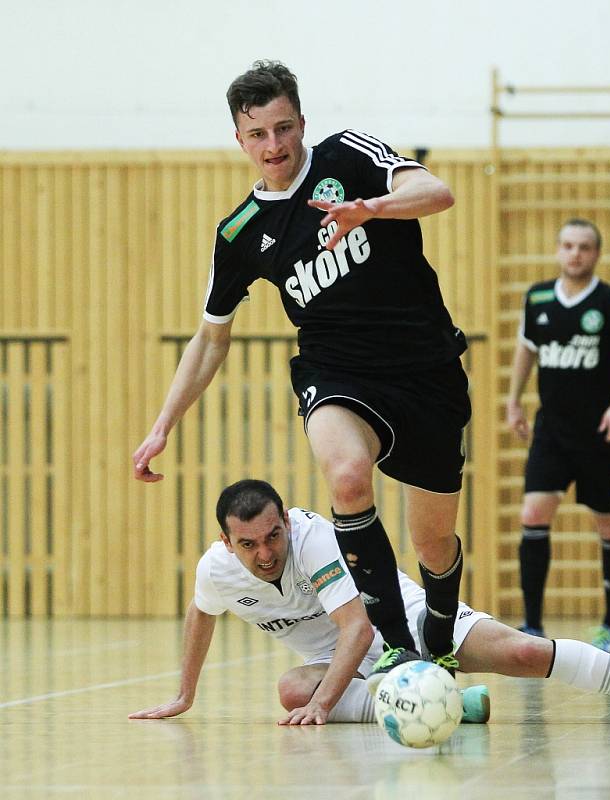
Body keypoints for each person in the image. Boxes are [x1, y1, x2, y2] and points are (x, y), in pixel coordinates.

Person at [132, 61, 470, 686]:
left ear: (302, 123)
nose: (274, 146)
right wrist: (162, 424)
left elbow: (439, 194)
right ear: (240, 139)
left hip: (426, 367)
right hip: (335, 369)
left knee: (434, 544)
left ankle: (440, 637)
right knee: (345, 476)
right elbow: (210, 338)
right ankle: (396, 646)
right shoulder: (239, 232)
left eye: (283, 128)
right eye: (257, 135)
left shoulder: (348, 154)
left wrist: (370, 208)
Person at [128, 480, 610, 726]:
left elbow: (359, 630)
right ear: (229, 544)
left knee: (522, 652)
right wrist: (186, 693)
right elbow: (200, 613)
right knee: (291, 688)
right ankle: (448, 705)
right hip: (352, 659)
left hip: (402, 624)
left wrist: (325, 708)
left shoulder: (314, 539)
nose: (265, 554)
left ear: (286, 521)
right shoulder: (219, 569)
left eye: (272, 535)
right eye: (249, 544)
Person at [505, 219, 610, 654]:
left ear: (596, 254)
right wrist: (513, 400)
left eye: (585, 247)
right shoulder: (536, 298)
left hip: (601, 436)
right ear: (558, 250)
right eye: (568, 245)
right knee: (533, 515)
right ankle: (532, 625)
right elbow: (527, 348)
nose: (576, 254)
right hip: (552, 432)